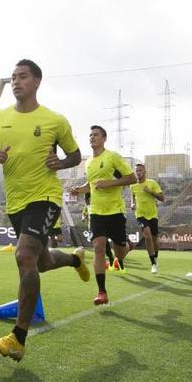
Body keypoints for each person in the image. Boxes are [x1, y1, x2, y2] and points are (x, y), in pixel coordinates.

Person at [0, 59, 87, 361]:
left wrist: (60, 163)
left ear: (37, 81)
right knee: (42, 262)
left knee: (24, 256)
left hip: (45, 196)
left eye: (22, 77)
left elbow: (75, 154)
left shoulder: (55, 120)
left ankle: (18, 338)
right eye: (13, 78)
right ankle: (75, 259)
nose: (16, 82)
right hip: (16, 201)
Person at [69, 125, 137, 306]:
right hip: (97, 212)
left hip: (115, 211)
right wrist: (79, 189)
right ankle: (102, 292)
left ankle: (127, 247)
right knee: (98, 247)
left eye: (96, 135)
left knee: (119, 254)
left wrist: (110, 183)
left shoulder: (112, 156)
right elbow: (91, 185)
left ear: (104, 138)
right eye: (90, 135)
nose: (92, 137)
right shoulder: (89, 162)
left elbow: (132, 178)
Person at [130, 163, 165, 273]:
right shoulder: (133, 186)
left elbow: (162, 198)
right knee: (147, 236)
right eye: (137, 171)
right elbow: (133, 199)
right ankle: (153, 264)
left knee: (155, 241)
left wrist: (151, 192)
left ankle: (156, 256)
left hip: (153, 215)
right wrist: (132, 204)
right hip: (140, 215)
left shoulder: (152, 183)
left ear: (145, 172)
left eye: (140, 170)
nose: (138, 172)